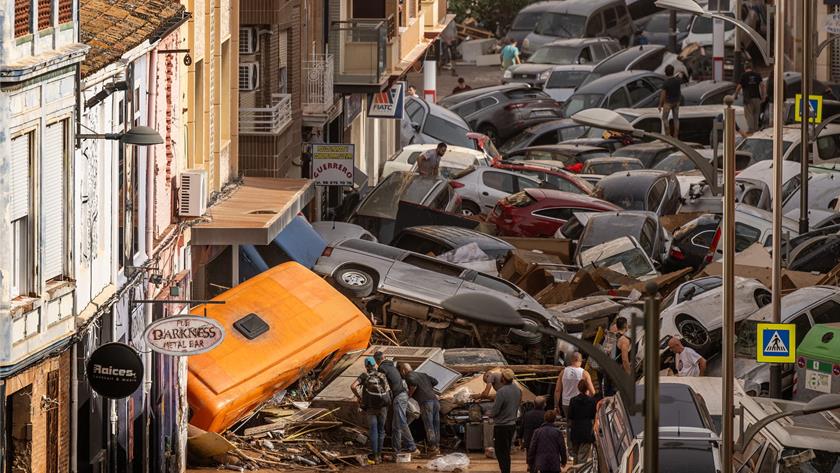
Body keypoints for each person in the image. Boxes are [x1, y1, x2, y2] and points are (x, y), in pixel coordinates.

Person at [373, 351, 419, 456]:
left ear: (376, 361)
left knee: (401, 422)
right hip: (402, 395)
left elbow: (382, 385)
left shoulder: (382, 369)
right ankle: (396, 449)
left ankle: (412, 447)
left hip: (398, 397)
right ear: (384, 357)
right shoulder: (392, 366)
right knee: (396, 425)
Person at [351, 357, 391, 463]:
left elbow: (353, 386)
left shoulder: (364, 376)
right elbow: (388, 390)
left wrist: (359, 398)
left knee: (373, 431)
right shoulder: (382, 375)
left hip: (370, 408)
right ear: (375, 365)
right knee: (381, 431)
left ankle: (375, 457)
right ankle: (380, 455)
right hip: (383, 407)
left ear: (366, 366)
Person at [399, 363, 441, 456]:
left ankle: (432, 448)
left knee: (429, 425)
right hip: (435, 400)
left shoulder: (409, 376)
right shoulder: (423, 374)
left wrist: (409, 395)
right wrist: (427, 389)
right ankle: (437, 446)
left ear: (403, 371)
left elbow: (413, 385)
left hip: (426, 402)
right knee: (435, 424)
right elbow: (435, 382)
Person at [491, 369, 521, 473]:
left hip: (501, 426)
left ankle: (505, 470)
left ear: (503, 379)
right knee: (506, 450)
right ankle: (506, 469)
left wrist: (489, 414)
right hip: (512, 425)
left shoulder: (501, 392)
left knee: (501, 452)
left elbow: (495, 410)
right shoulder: (518, 390)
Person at [554, 352, 595, 419]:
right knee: (579, 422)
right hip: (580, 403)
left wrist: (556, 406)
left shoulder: (563, 372)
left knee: (569, 422)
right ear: (580, 360)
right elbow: (592, 392)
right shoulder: (584, 373)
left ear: (571, 360)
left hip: (566, 403)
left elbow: (557, 390)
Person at [567, 379, 597, 465]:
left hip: (575, 429)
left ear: (578, 388)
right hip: (587, 429)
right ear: (587, 388)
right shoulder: (592, 401)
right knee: (583, 456)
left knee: (575, 455)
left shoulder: (573, 400)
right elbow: (593, 415)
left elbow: (570, 416)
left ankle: (575, 470)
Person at [734, 63, 765, 132]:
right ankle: (756, 129)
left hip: (748, 98)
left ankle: (751, 130)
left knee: (749, 114)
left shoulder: (744, 75)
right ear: (751, 68)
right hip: (757, 97)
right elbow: (762, 86)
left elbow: (739, 86)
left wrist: (735, 95)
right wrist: (763, 96)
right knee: (756, 114)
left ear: (745, 68)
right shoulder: (757, 75)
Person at [521, 396, 547, 472]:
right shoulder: (545, 415)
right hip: (542, 441)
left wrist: (520, 438)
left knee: (531, 461)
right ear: (544, 405)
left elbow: (522, 427)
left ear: (534, 404)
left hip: (529, 440)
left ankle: (530, 466)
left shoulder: (527, 414)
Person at [659, 64, 682, 138]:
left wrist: (660, 105)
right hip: (677, 101)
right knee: (676, 118)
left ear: (666, 72)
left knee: (665, 118)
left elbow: (663, 95)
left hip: (668, 102)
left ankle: (668, 134)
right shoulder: (677, 80)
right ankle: (676, 135)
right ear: (673, 71)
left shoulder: (666, 83)